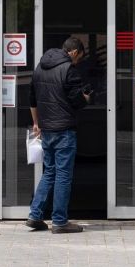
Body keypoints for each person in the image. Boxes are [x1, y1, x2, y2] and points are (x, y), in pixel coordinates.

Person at [26, 36, 91, 234]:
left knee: (50, 172)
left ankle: (35, 215)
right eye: (79, 57)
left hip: (47, 129)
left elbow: (32, 99)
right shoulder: (69, 70)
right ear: (74, 52)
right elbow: (76, 101)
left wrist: (36, 123)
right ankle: (60, 221)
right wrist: (86, 97)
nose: (78, 61)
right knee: (63, 175)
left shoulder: (40, 67)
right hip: (64, 130)